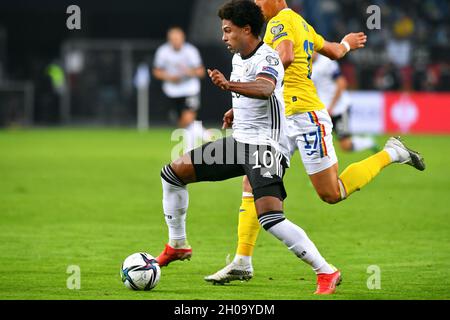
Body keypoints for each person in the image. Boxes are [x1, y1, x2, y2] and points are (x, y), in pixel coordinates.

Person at [204, 0, 425, 290]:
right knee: (252, 182)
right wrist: (346, 44)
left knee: (331, 193)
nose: (256, 4)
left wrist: (253, 83)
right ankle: (242, 261)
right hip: (280, 119)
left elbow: (284, 57)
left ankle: (391, 153)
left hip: (305, 118)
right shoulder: (302, 23)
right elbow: (332, 51)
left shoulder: (281, 22)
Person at [155, 0, 343, 295]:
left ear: (246, 30)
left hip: (266, 149)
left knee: (270, 218)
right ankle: (178, 245)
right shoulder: (238, 57)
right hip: (239, 144)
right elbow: (257, 95)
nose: (223, 37)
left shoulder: (269, 57)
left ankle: (326, 271)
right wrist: (235, 110)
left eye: (228, 31)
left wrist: (229, 87)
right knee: (172, 173)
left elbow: (265, 87)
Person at [153, 26, 210, 151]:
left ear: (183, 38)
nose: (175, 41)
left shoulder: (190, 51)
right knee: (183, 123)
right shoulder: (163, 52)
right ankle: (206, 137)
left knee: (187, 119)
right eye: (172, 39)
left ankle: (191, 149)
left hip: (190, 89)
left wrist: (189, 72)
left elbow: (200, 72)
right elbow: (156, 71)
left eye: (177, 39)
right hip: (172, 91)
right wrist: (168, 77)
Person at [311, 52, 378, 153]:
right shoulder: (307, 65)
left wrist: (331, 107)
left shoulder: (327, 63)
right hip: (324, 109)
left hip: (339, 108)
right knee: (316, 139)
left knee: (345, 145)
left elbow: (342, 83)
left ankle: (368, 142)